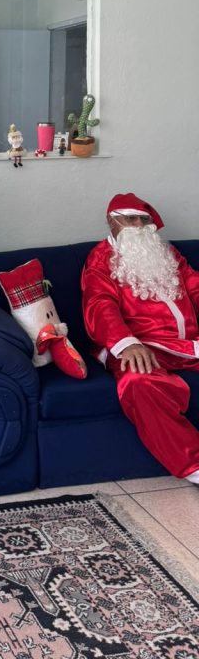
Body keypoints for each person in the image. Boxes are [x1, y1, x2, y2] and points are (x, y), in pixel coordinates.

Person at [82, 192, 199, 484]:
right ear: (112, 222)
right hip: (139, 345)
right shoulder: (100, 258)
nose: (138, 225)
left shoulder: (167, 253)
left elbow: (195, 288)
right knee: (138, 383)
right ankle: (194, 464)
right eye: (131, 219)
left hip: (187, 344)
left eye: (144, 220)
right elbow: (99, 305)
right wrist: (127, 343)